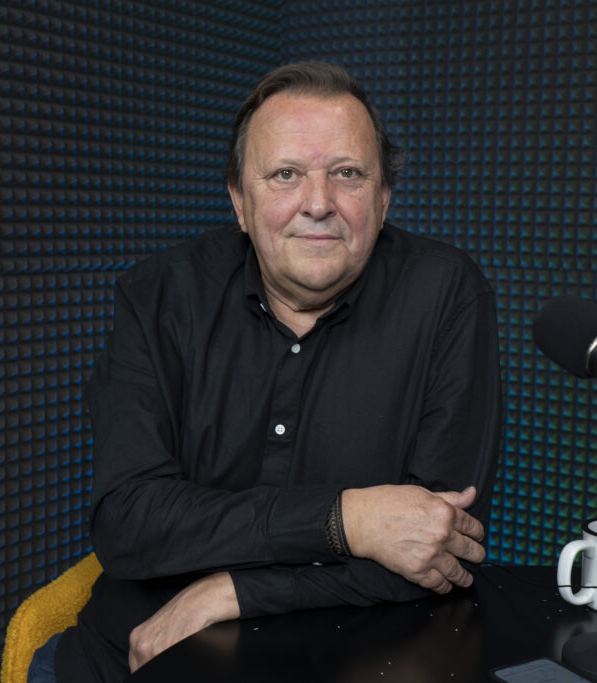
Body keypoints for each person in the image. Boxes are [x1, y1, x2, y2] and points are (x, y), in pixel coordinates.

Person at [38, 61, 501, 682]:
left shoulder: (448, 295)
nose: (319, 203)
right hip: (134, 657)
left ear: (384, 197)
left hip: (343, 662)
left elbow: (441, 544)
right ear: (240, 201)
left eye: (348, 174)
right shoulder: (160, 296)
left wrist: (233, 592)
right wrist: (347, 521)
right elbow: (129, 521)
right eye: (286, 174)